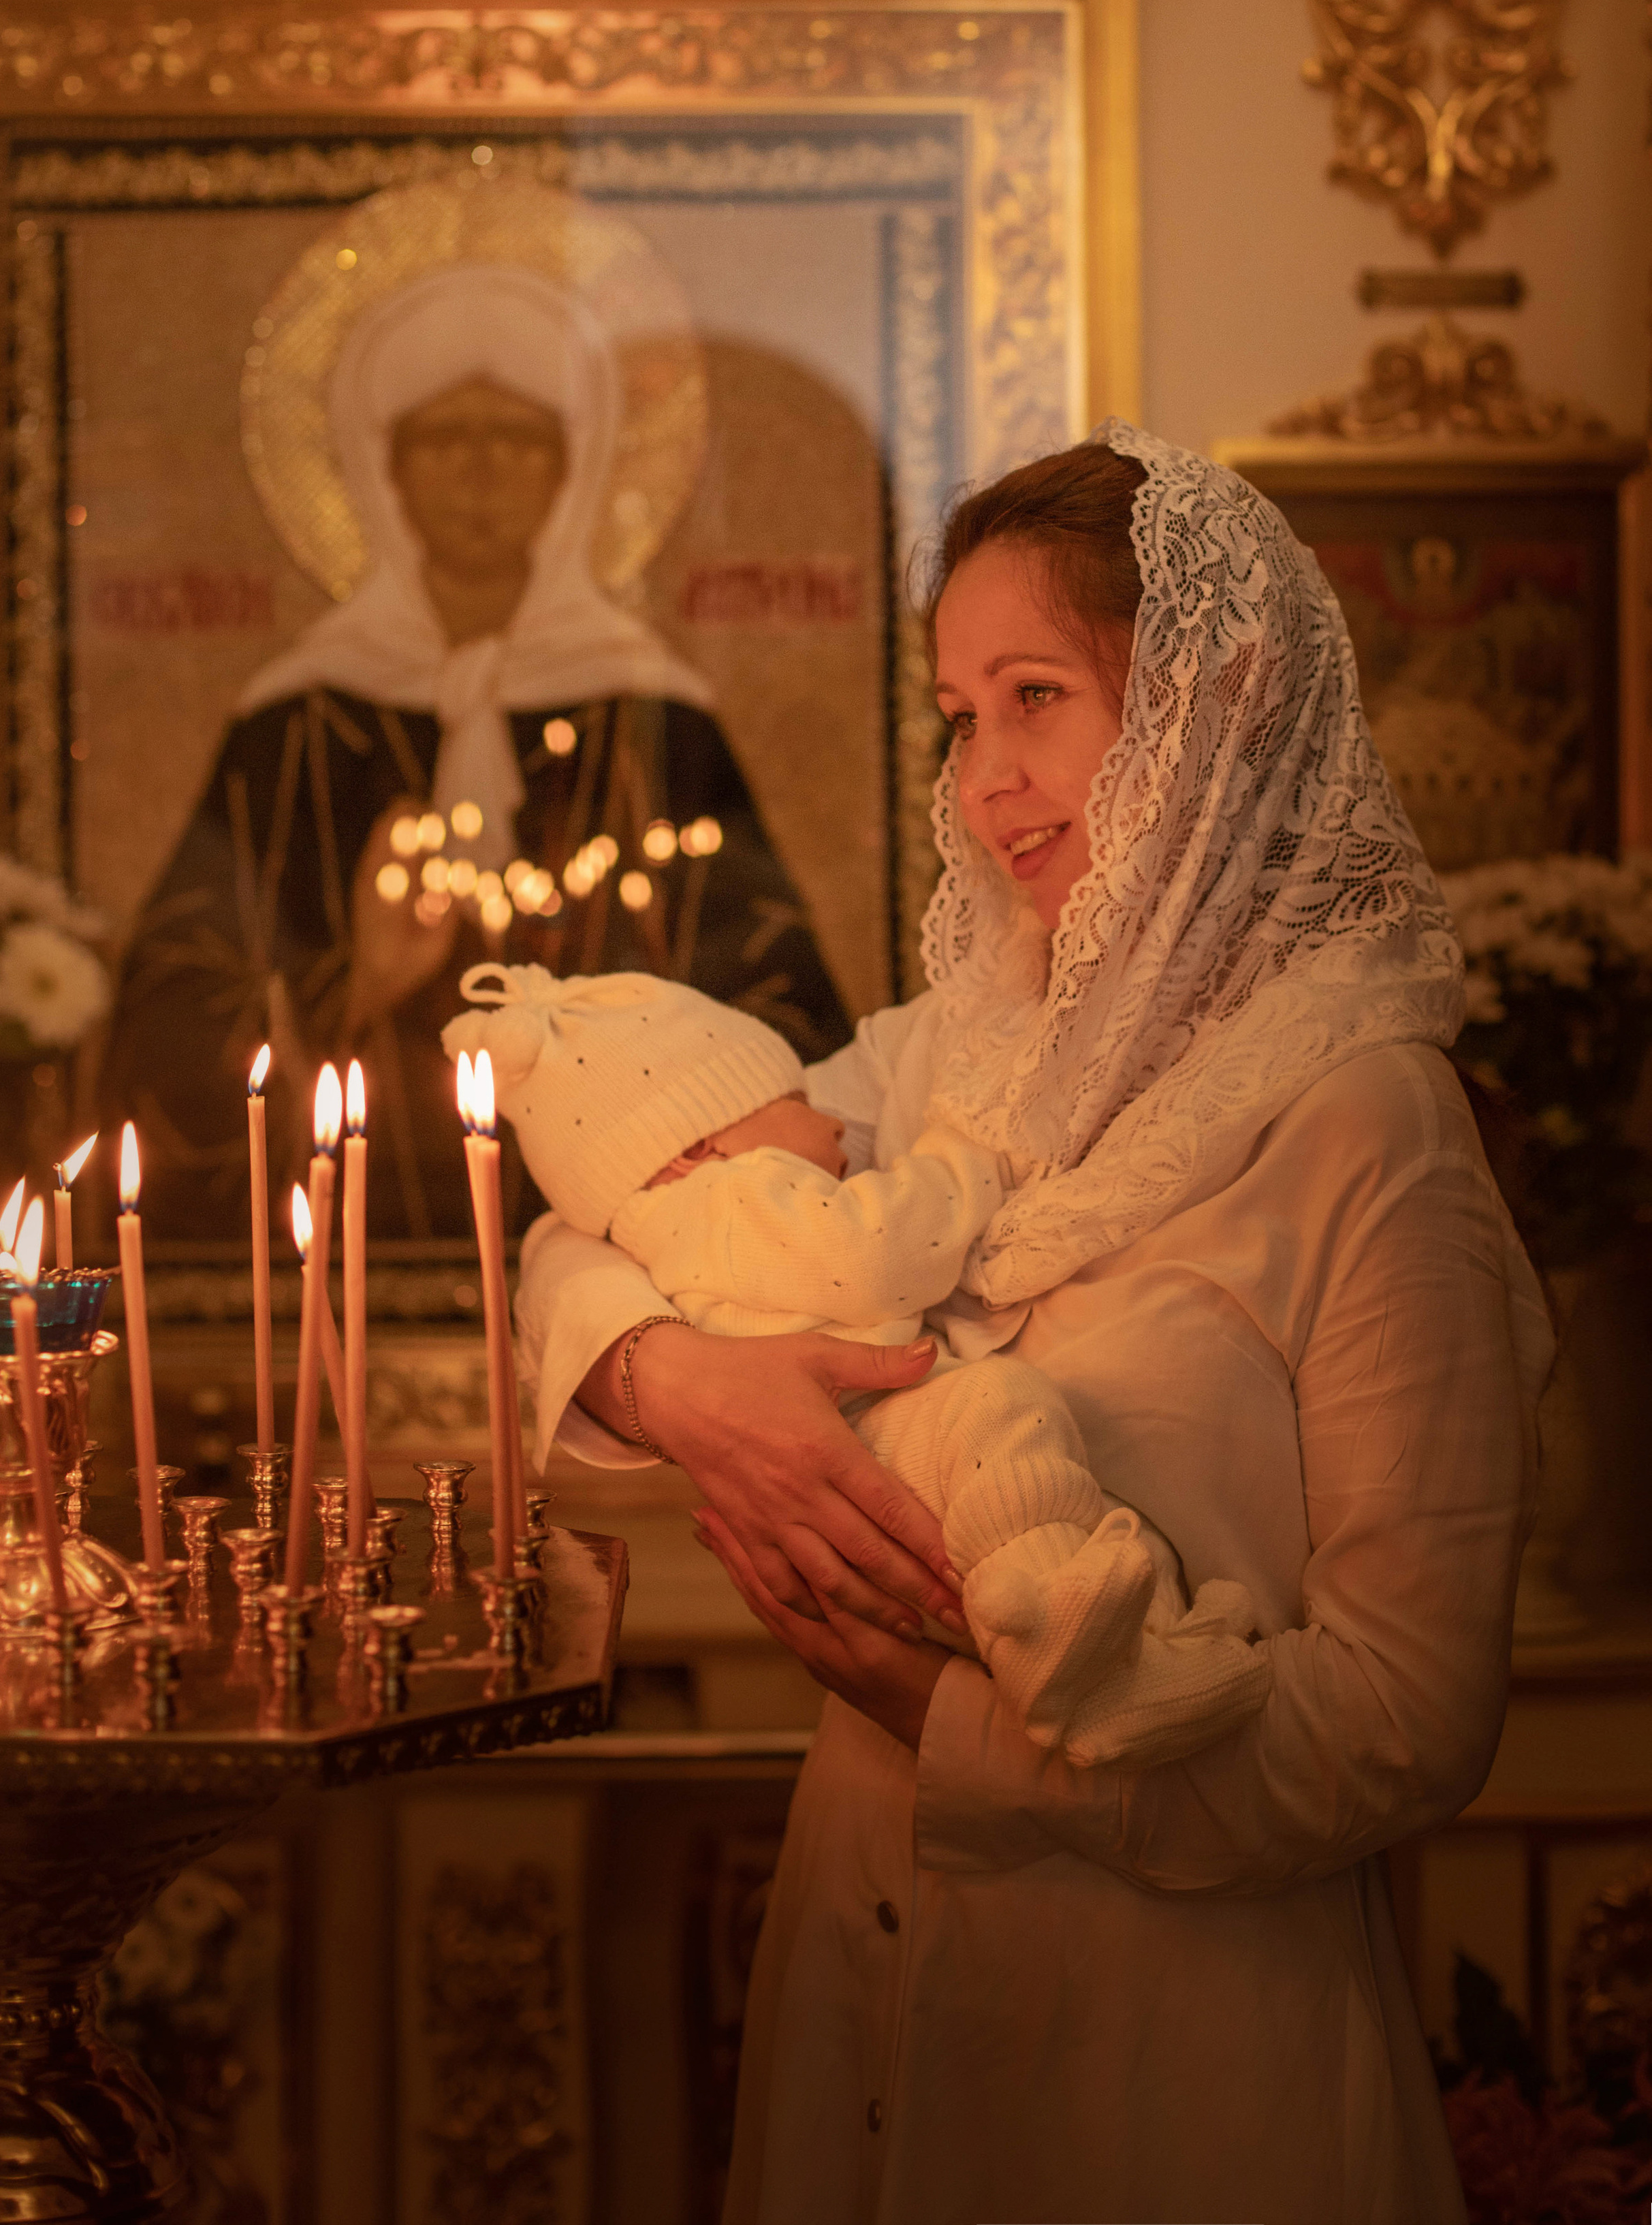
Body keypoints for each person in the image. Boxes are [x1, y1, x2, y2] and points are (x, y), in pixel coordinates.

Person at [515, 423, 1554, 2224]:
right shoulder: (950, 1055)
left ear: (1218, 702)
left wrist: (946, 1720)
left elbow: (1407, 1720)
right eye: (957, 716)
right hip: (863, 1979)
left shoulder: (1368, 1124)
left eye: (1037, 697)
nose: (987, 776)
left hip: (1187, 2068)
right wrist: (681, 1386)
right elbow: (606, 1205)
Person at [99, 257, 849, 1241]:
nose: (483, 472)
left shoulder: (654, 716)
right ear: (386, 466)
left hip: (627, 1246)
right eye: (445, 439)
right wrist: (353, 983)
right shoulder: (295, 723)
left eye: (519, 439)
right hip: (350, 1230)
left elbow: (777, 1000)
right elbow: (165, 1024)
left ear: (573, 466)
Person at [455, 961, 1269, 1764]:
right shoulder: (736, 1196)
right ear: (698, 1147)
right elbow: (877, 1251)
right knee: (1001, 1406)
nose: (837, 1126)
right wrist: (966, 1151)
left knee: (1071, 1508)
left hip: (865, 1455)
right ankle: (1080, 1676)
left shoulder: (665, 1217)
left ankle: (1147, 1654)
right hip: (869, 1438)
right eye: (800, 1105)